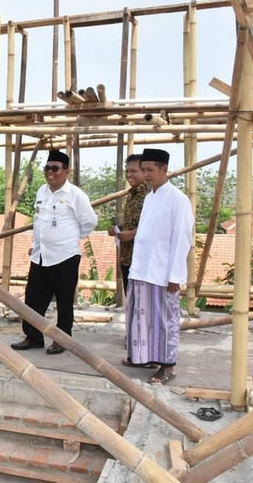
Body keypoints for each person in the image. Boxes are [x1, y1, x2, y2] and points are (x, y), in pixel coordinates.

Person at [11, 150, 97, 355]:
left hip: (65, 256)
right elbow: (39, 221)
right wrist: (38, 243)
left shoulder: (75, 195)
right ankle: (33, 336)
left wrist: (68, 239)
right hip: (40, 255)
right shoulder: (42, 192)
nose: (50, 172)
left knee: (64, 301)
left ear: (66, 171)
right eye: (47, 168)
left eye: (55, 168)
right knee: (33, 298)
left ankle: (62, 339)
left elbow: (89, 222)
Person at [125, 148, 194, 384]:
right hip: (142, 269)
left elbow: (182, 239)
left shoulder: (178, 200)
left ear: (164, 169)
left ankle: (168, 366)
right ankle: (146, 357)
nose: (146, 174)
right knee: (143, 319)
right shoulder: (150, 197)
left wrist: (175, 275)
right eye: (143, 169)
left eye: (150, 170)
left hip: (163, 272)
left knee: (164, 321)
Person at [108, 154, 148, 294]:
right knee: (131, 299)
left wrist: (133, 234)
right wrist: (117, 229)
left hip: (143, 260)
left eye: (134, 171)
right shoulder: (131, 194)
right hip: (127, 258)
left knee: (142, 301)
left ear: (144, 171)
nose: (129, 175)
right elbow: (131, 223)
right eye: (128, 171)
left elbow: (155, 226)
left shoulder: (151, 194)